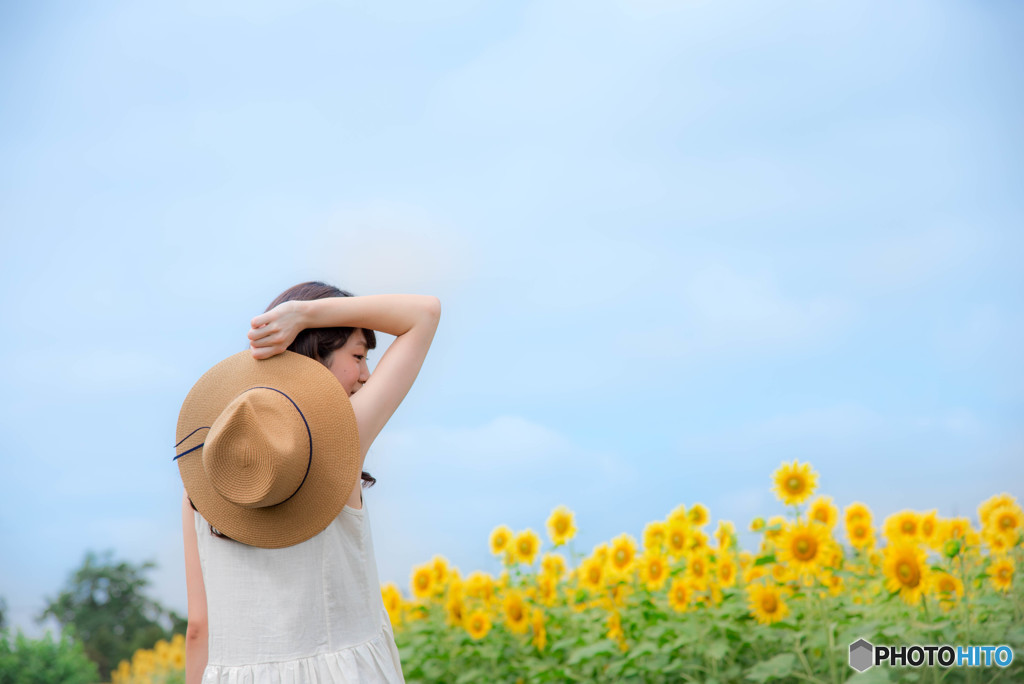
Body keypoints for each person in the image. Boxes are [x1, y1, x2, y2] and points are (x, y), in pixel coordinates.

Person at [178, 282, 441, 684]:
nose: (367, 375)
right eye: (358, 356)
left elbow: (199, 626)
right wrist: (304, 314)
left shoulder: (205, 477)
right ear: (316, 356)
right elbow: (424, 314)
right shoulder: (339, 443)